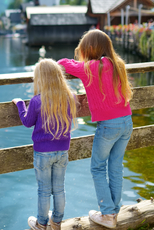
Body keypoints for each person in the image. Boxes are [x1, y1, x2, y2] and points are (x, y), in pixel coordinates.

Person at [57, 29, 133, 229]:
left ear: (90, 49)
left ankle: (107, 213)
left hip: (108, 125)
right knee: (116, 166)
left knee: (98, 167)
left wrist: (80, 62)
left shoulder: (89, 67)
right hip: (126, 121)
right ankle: (113, 211)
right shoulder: (118, 65)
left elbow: (62, 64)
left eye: (82, 50)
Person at [12, 58, 77, 230]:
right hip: (62, 150)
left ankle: (41, 223)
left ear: (40, 79)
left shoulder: (36, 101)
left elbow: (27, 122)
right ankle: (56, 221)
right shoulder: (69, 97)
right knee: (59, 188)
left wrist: (20, 104)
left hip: (42, 153)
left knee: (44, 190)